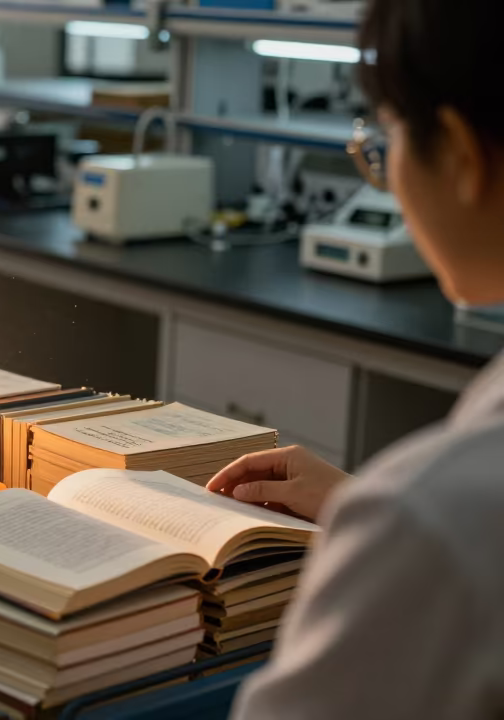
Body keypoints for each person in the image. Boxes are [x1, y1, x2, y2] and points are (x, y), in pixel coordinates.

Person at [207, 1, 504, 717]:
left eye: (387, 136)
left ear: (459, 155)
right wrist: (361, 505)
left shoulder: (432, 516)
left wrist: (396, 524)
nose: (385, 168)